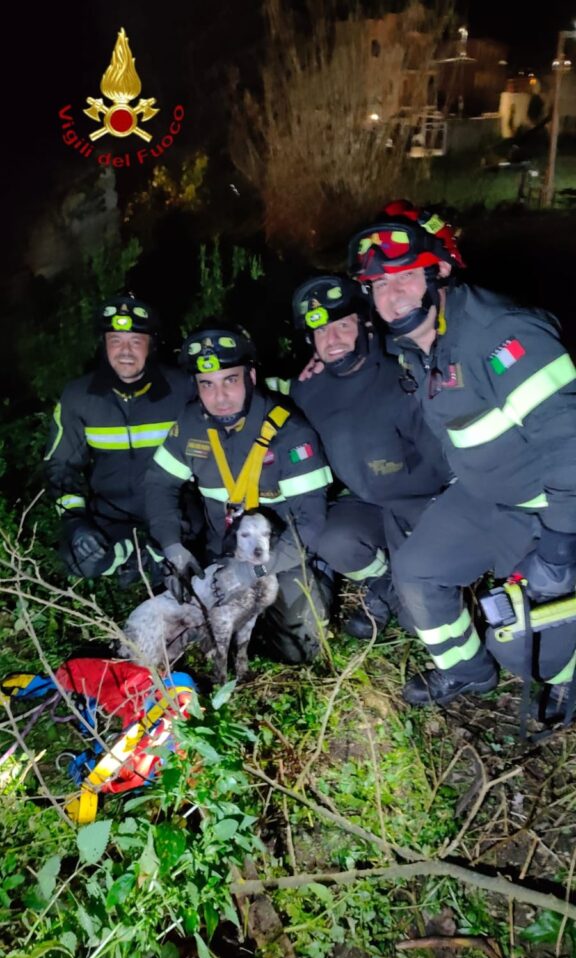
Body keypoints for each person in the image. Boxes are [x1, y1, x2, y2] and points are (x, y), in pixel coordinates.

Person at [348, 200, 576, 708]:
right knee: (416, 571)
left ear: (441, 272)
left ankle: (567, 677)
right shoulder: (418, 344)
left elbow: (570, 442)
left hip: (553, 508)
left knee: (524, 648)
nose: (391, 296)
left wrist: (561, 544)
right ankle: (469, 673)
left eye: (405, 277)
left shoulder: (503, 336)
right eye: (379, 286)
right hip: (485, 498)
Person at [268, 275, 450, 638]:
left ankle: (418, 583)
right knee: (330, 538)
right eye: (321, 332)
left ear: (366, 324)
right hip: (368, 504)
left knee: (423, 624)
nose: (332, 340)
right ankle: (385, 584)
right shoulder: (308, 387)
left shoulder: (406, 366)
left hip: (429, 505)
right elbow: (261, 395)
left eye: (343, 326)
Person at [145, 322, 333, 664]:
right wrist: (173, 548)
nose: (219, 397)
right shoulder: (190, 425)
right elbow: (158, 485)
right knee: (188, 626)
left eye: (230, 380)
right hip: (222, 551)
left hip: (284, 555)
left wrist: (252, 573)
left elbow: (311, 527)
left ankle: (319, 582)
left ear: (251, 377)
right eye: (207, 384)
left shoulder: (290, 432)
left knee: (297, 649)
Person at [45, 295, 192, 583]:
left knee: (193, 547)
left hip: (174, 513)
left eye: (135, 341)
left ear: (151, 344)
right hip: (110, 516)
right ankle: (138, 557)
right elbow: (60, 466)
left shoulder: (183, 388)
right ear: (104, 344)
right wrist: (75, 522)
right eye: (115, 340)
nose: (125, 351)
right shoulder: (78, 396)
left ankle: (145, 557)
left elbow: (233, 396)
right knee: (79, 559)